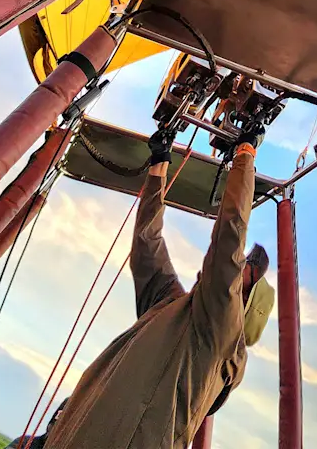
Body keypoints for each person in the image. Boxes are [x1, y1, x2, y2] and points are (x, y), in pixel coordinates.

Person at [44, 130, 274, 449]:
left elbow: (229, 242)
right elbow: (147, 245)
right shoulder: (170, 307)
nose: (236, 270)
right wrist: (159, 167)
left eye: (242, 272)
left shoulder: (221, 339)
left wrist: (245, 156)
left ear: (242, 305)